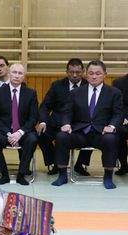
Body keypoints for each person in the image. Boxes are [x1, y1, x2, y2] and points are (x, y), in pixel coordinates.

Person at [52, 60, 123, 189]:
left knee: (111, 139)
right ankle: (62, 175)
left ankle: (108, 176)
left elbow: (118, 114)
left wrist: (112, 127)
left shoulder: (114, 93)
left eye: (98, 73)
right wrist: (66, 124)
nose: (94, 76)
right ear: (86, 74)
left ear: (105, 75)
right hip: (80, 133)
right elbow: (67, 112)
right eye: (91, 73)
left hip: (101, 134)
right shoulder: (76, 92)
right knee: (61, 136)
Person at [37, 58, 91, 175]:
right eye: (72, 72)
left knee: (92, 131)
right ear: (67, 72)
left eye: (78, 72)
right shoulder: (57, 85)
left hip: (79, 124)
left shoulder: (89, 86)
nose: (75, 75)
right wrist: (43, 122)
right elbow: (45, 106)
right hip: (56, 122)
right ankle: (54, 163)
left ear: (83, 71)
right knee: (41, 134)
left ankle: (80, 164)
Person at [0, 63, 38, 185]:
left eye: (20, 73)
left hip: (23, 132)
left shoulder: (30, 93)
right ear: (9, 74)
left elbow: (33, 117)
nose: (17, 76)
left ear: (24, 76)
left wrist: (20, 133)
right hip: (5, 131)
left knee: (32, 139)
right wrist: (9, 133)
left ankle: (22, 174)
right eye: (14, 72)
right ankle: (3, 174)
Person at [112, 74, 128, 175]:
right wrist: (122, 118)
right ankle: (124, 165)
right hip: (124, 120)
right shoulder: (118, 83)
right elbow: (117, 105)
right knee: (118, 132)